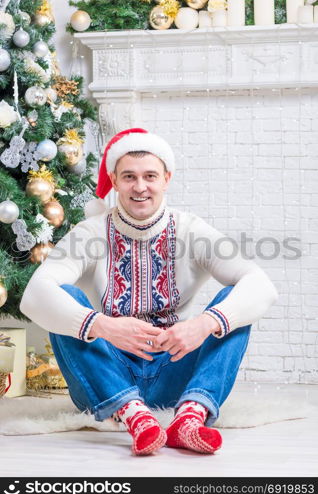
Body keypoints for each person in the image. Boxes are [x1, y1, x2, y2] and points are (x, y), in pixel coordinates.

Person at [20, 128, 278, 456]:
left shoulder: (191, 230)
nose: (140, 187)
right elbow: (35, 294)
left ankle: (189, 418)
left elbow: (261, 286)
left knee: (233, 304)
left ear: (166, 179)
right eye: (129, 176)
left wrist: (204, 324)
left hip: (174, 370)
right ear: (114, 180)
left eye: (150, 176)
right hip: (106, 376)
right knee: (66, 300)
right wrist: (102, 326)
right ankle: (133, 414)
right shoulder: (89, 233)